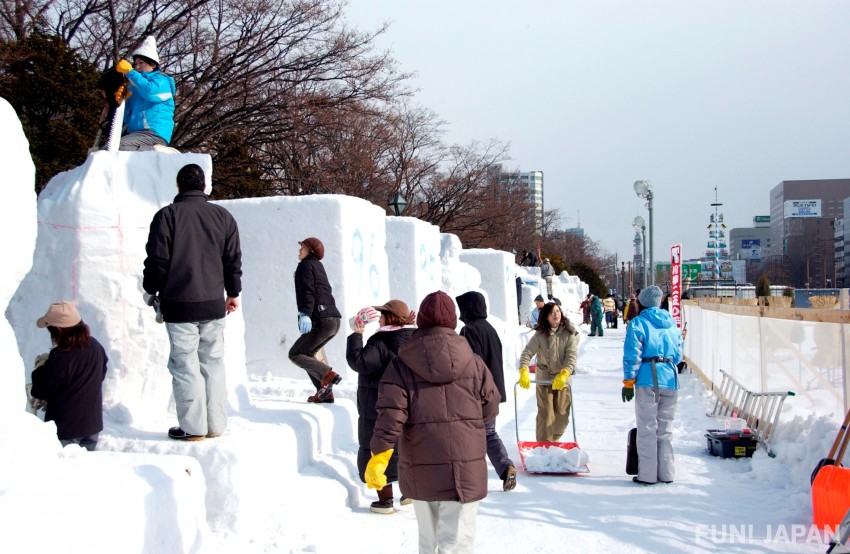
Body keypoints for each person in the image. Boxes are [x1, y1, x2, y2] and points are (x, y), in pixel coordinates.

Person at [366, 291, 499, 554]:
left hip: (420, 466)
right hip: (466, 467)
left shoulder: (401, 365)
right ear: (452, 321)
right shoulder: (474, 363)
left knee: (429, 541)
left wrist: (379, 453)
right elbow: (490, 406)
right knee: (457, 541)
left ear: (422, 320)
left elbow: (390, 414)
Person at [143, 163, 242, 441]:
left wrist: (150, 288)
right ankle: (216, 425)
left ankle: (193, 427)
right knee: (213, 363)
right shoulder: (224, 217)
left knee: (186, 365)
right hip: (213, 304)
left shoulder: (167, 216)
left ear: (178, 186)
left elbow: (158, 260)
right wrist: (233, 293)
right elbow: (232, 260)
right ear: (204, 187)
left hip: (179, 303)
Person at [345, 299, 415, 514]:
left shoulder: (381, 341)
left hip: (377, 405)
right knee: (404, 447)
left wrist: (357, 334)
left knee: (377, 447)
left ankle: (385, 500)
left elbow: (359, 362)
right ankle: (408, 492)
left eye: (383, 314)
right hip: (405, 405)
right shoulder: (412, 341)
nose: (380, 318)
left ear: (389, 317)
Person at [621, 285, 684, 485]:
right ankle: (667, 473)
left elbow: (632, 354)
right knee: (665, 429)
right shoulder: (671, 324)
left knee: (647, 427)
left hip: (648, 378)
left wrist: (628, 382)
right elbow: (679, 354)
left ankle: (647, 475)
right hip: (671, 379)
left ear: (641, 302)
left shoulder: (638, 323)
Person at [456, 291, 517, 492]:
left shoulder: (469, 330)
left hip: (477, 392)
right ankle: (505, 466)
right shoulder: (490, 329)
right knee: (489, 432)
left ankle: (468, 476)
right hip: (493, 390)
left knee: (468, 434)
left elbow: (471, 364)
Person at [31, 301, 108, 451]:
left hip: (66, 428)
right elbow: (100, 375)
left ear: (58, 330)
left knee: (63, 471)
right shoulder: (95, 346)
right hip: (92, 424)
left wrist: (41, 368)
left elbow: (40, 390)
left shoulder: (61, 356)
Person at [290, 236, 342, 402]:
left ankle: (327, 375)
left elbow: (307, 291)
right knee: (308, 354)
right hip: (333, 319)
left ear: (310, 250)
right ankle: (324, 392)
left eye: (302, 247)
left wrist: (304, 313)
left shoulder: (305, 266)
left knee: (296, 354)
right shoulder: (318, 266)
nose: (299, 250)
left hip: (321, 318)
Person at [518, 302, 579, 442]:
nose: (556, 314)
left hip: (562, 381)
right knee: (546, 415)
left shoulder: (569, 333)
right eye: (552, 312)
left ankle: (554, 440)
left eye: (558, 311)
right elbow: (527, 353)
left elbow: (571, 357)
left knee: (562, 417)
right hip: (544, 380)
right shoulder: (540, 335)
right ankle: (543, 446)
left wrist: (563, 374)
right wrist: (523, 370)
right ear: (546, 316)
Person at [115, 36, 176, 151]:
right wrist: (123, 102)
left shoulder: (162, 81)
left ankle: (156, 152)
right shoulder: (135, 87)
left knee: (118, 148)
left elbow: (150, 92)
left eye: (141, 63)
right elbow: (128, 118)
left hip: (154, 133)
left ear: (152, 65)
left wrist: (130, 72)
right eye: (135, 63)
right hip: (136, 133)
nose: (137, 66)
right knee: (108, 149)